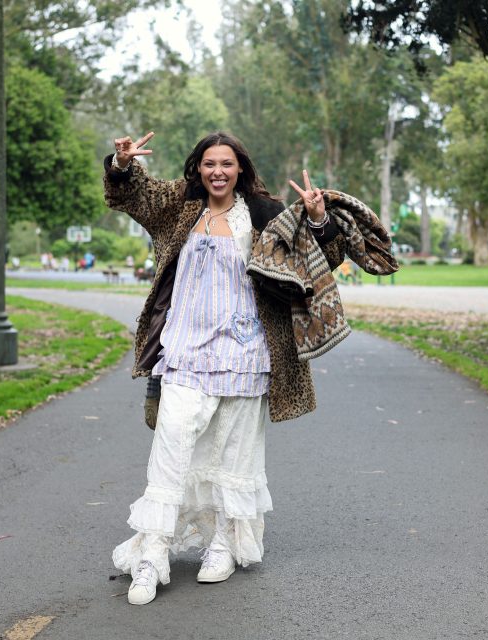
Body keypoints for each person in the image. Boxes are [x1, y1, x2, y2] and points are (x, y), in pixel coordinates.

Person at [103, 130, 375, 606]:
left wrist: (317, 220)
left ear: (241, 169)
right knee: (172, 446)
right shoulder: (178, 206)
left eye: (226, 164)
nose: (217, 172)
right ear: (198, 168)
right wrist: (123, 164)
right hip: (184, 350)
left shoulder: (265, 214)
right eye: (209, 163)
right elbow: (133, 196)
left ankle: (223, 544)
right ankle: (152, 553)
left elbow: (322, 260)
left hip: (247, 353)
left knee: (235, 453)